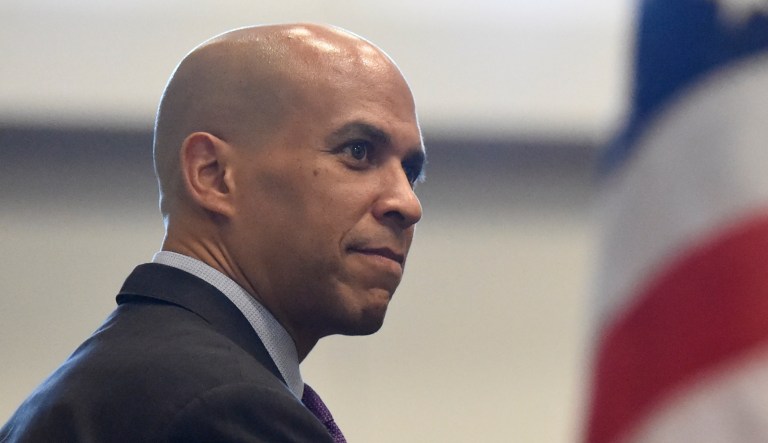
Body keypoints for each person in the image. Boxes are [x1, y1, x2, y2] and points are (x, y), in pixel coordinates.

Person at [0, 23, 425, 442]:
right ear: (214, 175)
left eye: (410, 172)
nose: (408, 204)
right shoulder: (223, 409)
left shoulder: (114, 382)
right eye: (358, 152)